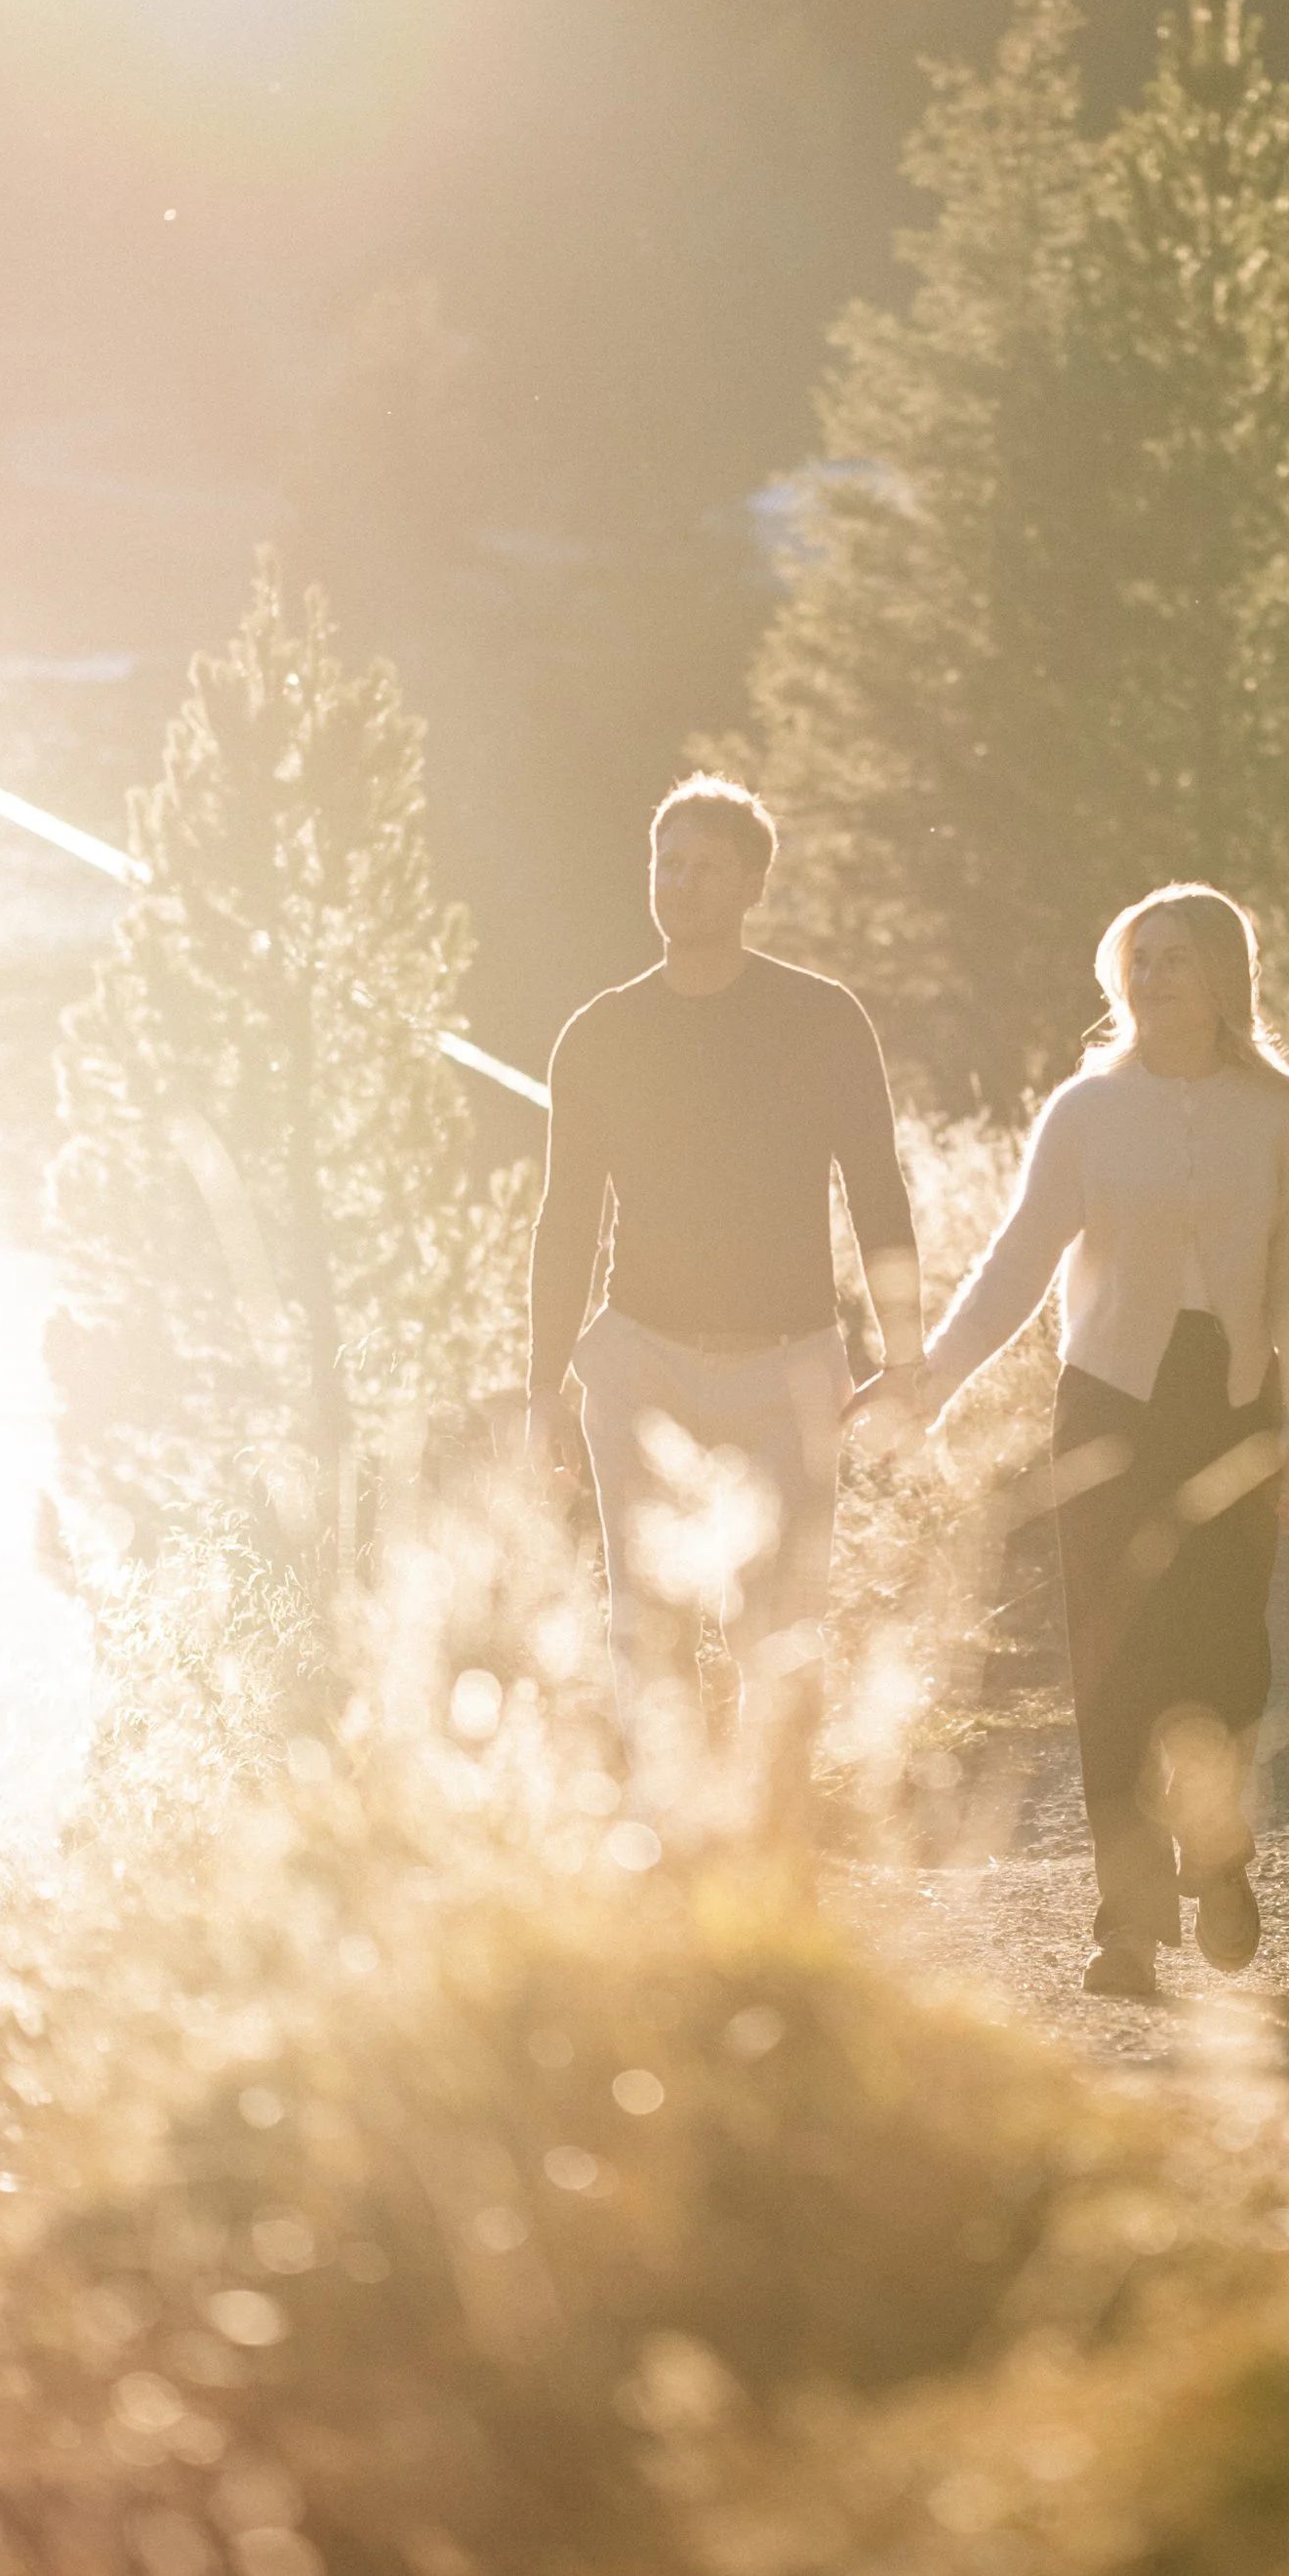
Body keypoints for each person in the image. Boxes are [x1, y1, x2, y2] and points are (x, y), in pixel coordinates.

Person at [921, 881, 1289, 1999]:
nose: (1152, 978)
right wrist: (931, 1380)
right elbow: (1017, 1261)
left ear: (1222, 978)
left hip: (1236, 1401)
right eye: (1138, 959)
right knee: (1114, 1660)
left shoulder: (1282, 1111)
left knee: (1224, 1655)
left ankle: (1218, 1850)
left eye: (1175, 959)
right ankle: (1126, 1924)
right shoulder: (1086, 1112)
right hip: (1107, 1405)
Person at [525, 775, 925, 1826]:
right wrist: (541, 1389)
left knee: (779, 1628)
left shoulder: (821, 1019)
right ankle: (671, 1852)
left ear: (751, 885)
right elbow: (566, 1221)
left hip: (786, 1363)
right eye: (667, 863)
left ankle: (770, 1851)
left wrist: (907, 1357)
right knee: (645, 1627)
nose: (682, 884)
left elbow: (876, 1189)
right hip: (638, 1360)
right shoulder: (599, 1035)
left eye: (706, 867)